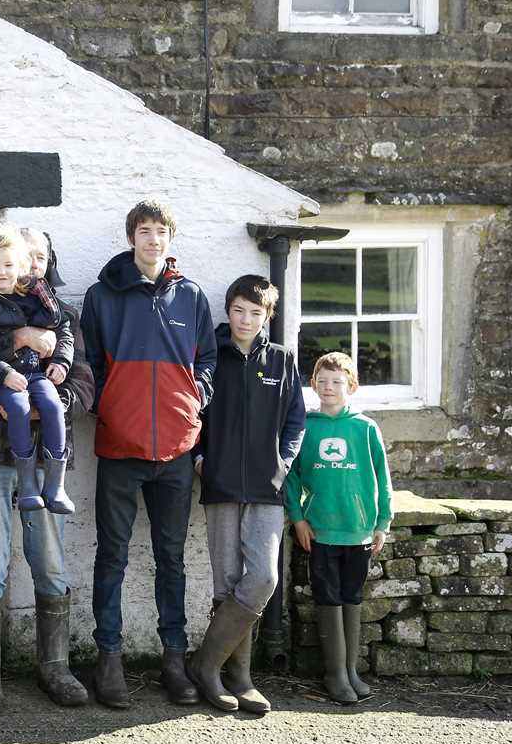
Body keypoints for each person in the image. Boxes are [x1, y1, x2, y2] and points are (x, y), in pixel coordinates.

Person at [80, 199, 216, 708]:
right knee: (112, 557)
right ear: (131, 237)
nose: (153, 239)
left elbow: (205, 360)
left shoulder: (192, 297)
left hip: (177, 451)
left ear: (170, 238)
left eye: (161, 231)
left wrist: (193, 401)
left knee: (172, 559)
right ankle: (108, 660)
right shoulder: (102, 295)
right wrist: (110, 407)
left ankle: (174, 661)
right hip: (120, 447)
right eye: (144, 230)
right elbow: (90, 363)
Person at [0, 226, 93, 715]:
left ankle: (55, 666)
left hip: (45, 458)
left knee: (50, 562)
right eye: (24, 254)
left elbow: (84, 385)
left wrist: (56, 398)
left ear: (47, 260)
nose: (31, 263)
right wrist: (15, 339)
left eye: (40, 255)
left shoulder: (63, 315)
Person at [187, 275, 305, 713]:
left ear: (267, 317)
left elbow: (296, 420)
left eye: (256, 313)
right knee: (228, 582)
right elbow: (190, 410)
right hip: (218, 483)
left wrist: (285, 461)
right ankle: (236, 677)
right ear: (228, 310)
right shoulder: (209, 355)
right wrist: (198, 457)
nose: (246, 319)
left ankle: (207, 665)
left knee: (264, 578)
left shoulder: (281, 360)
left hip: (265, 485)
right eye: (239, 310)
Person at [285, 351, 392, 705]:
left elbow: (383, 478)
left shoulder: (364, 428)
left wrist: (382, 522)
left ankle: (351, 670)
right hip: (321, 531)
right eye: (322, 381)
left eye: (337, 382)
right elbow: (290, 475)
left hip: (358, 530)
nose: (329, 388)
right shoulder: (305, 425)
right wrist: (298, 517)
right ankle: (334, 674)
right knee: (327, 596)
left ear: (352, 387)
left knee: (352, 596)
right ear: (312, 385)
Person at [0, 225, 74, 515]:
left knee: (53, 403)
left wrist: (60, 360)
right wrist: (7, 362)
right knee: (19, 406)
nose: (2, 271)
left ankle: (55, 486)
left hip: (35, 373)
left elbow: (61, 328)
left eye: (9, 264)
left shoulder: (38, 298)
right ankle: (28, 486)